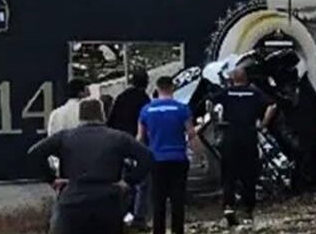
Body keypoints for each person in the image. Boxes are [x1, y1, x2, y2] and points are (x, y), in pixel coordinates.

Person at [28, 98, 153, 234]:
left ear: (80, 117)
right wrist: (129, 181)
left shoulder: (65, 137)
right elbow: (147, 157)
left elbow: (34, 153)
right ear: (102, 115)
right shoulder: (118, 137)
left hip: (72, 199)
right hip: (108, 200)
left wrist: (51, 178)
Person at [211, 66, 277, 226]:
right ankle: (248, 211)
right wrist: (263, 124)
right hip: (248, 136)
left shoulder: (226, 93)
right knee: (249, 175)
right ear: (246, 78)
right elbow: (272, 105)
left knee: (229, 174)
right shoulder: (254, 93)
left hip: (230, 136)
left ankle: (229, 206)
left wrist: (216, 122)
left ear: (232, 79)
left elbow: (210, 101)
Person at [137, 76, 198, 234]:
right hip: (178, 158)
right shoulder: (182, 108)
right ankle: (178, 230)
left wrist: (137, 157)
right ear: (172, 88)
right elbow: (191, 133)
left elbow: (140, 137)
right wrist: (199, 154)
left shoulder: (146, 110)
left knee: (158, 200)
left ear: (157, 89)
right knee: (178, 200)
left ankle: (159, 231)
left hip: (156, 159)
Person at [108, 68, 152, 228]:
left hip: (119, 145)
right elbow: (147, 126)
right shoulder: (145, 100)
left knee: (122, 181)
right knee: (142, 183)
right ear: (146, 82)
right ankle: (139, 218)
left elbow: (110, 122)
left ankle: (119, 216)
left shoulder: (121, 98)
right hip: (137, 144)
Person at [46, 79, 92, 177]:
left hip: (62, 164)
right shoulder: (88, 112)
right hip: (86, 164)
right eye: (87, 90)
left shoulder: (56, 114)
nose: (90, 93)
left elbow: (51, 139)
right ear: (81, 92)